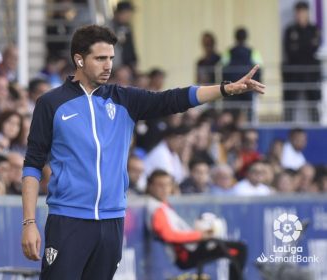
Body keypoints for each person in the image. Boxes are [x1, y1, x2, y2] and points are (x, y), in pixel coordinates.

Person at [21, 24, 264, 280]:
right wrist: (29, 223)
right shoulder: (51, 103)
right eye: (100, 58)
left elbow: (173, 99)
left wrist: (225, 89)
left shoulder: (124, 99)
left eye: (111, 58)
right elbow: (32, 165)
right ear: (78, 59)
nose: (108, 66)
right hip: (67, 220)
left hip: (112, 222)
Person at [145, 170, 247, 280]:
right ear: (150, 186)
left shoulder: (163, 204)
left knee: (238, 249)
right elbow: (169, 235)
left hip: (191, 247)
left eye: (167, 185)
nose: (164, 189)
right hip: (186, 254)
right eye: (160, 185)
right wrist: (200, 235)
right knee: (239, 249)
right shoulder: (156, 208)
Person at [283, 1, 321, 122]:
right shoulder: (290, 30)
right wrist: (305, 48)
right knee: (290, 102)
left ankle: (316, 124)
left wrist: (300, 48)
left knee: (314, 102)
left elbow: (315, 50)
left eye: (302, 12)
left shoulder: (314, 29)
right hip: (294, 73)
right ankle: (288, 124)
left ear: (307, 13)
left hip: (311, 72)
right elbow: (290, 52)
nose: (300, 15)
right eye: (298, 13)